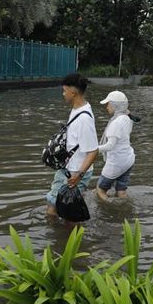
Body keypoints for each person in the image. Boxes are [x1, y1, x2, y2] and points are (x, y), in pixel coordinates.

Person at [45, 73, 99, 216]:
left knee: (65, 213)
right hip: (68, 168)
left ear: (73, 92)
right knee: (55, 206)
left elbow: (93, 151)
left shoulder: (84, 119)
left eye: (65, 90)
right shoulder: (77, 109)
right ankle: (60, 236)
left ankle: (66, 237)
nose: (63, 94)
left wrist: (79, 175)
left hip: (76, 172)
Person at [95, 91, 136, 200]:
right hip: (128, 159)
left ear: (115, 106)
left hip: (117, 162)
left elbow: (110, 146)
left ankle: (111, 207)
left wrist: (93, 149)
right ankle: (124, 208)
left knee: (100, 189)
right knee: (121, 191)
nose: (107, 107)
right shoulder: (128, 119)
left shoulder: (115, 123)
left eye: (108, 104)